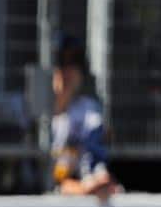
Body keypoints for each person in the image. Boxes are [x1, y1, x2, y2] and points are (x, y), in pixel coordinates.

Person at [50, 36, 120, 197]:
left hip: (71, 190)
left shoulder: (88, 112)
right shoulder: (29, 111)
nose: (67, 71)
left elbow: (96, 171)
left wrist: (91, 184)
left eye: (74, 64)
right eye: (62, 63)